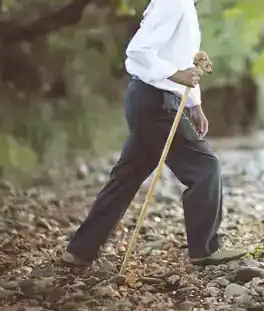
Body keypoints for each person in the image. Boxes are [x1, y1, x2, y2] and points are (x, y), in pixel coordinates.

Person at [62, 0, 245, 267]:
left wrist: (195, 105)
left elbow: (183, 60)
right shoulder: (174, 1)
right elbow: (139, 51)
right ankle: (205, 249)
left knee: (125, 178)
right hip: (155, 103)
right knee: (205, 167)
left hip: (153, 100)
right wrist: (174, 75)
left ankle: (79, 251)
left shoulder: (183, 5)